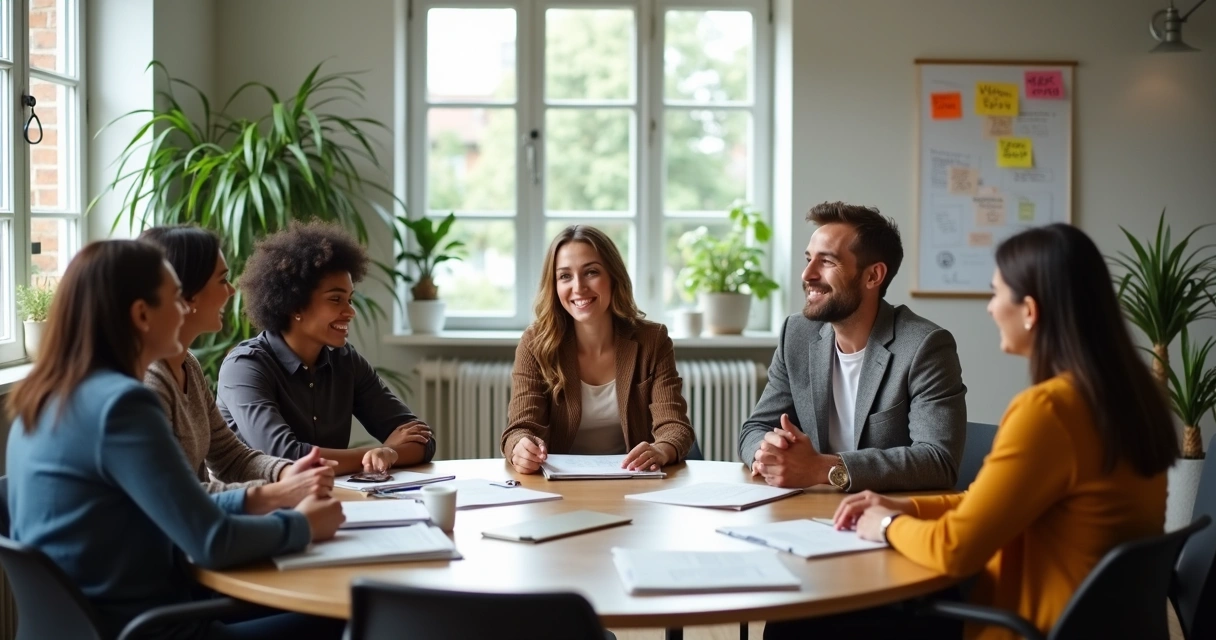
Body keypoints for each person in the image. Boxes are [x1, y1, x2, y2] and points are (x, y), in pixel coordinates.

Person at [819, 224, 1179, 640]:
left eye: (995, 293)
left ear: (1029, 310)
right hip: (1097, 626)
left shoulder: (1049, 411)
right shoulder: (1131, 395)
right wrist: (907, 508)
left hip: (1030, 628)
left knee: (813, 624)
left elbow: (956, 550)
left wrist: (884, 526)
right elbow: (987, 503)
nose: (990, 309)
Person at [5, 240, 346, 640]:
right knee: (346, 616)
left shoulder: (49, 394)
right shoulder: (122, 406)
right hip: (150, 628)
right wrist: (302, 526)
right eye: (175, 300)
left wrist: (266, 497)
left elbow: (181, 504)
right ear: (142, 314)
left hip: (106, 622)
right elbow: (211, 541)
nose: (185, 309)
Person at [739, 201, 966, 492]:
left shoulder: (925, 346)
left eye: (827, 261)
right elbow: (753, 430)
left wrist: (823, 468)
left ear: (873, 276)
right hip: (809, 510)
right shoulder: (796, 333)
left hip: (889, 518)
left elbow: (938, 460)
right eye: (808, 258)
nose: (807, 274)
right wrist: (769, 455)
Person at [140, 225, 335, 513]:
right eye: (222, 280)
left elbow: (230, 458)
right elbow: (175, 497)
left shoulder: (188, 365)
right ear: (186, 293)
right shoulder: (148, 383)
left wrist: (285, 473)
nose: (232, 291)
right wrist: (279, 492)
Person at [216, 221, 435, 476]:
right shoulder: (245, 367)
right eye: (335, 299)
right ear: (294, 306)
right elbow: (285, 456)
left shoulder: (345, 361)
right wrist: (373, 455)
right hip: (258, 506)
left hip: (327, 497)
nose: (350, 311)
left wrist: (390, 452)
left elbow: (421, 437)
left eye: (350, 299)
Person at [502, 225, 695, 474]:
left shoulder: (652, 340)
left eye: (591, 272)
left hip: (634, 483)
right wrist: (520, 447)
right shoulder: (535, 343)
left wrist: (662, 449)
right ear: (554, 285)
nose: (579, 287)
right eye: (565, 276)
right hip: (559, 488)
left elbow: (675, 426)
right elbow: (520, 427)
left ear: (613, 277)